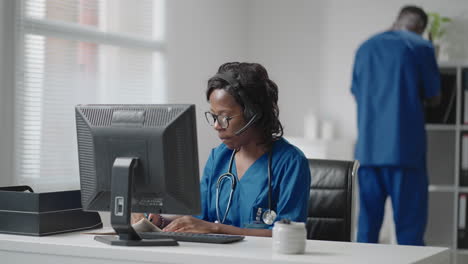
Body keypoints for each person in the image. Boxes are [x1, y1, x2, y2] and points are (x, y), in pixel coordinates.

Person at [134, 62, 311, 237]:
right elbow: (199, 219)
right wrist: (160, 221)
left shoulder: (291, 163)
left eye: (225, 117)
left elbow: (289, 234)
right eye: (214, 116)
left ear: (253, 114)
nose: (217, 126)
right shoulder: (219, 157)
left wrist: (217, 229)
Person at [351, 6, 441, 245]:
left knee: (367, 230)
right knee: (409, 232)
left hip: (368, 154)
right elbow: (434, 97)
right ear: (421, 28)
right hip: (405, 153)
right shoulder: (421, 47)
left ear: (397, 21)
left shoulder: (365, 48)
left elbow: (357, 93)